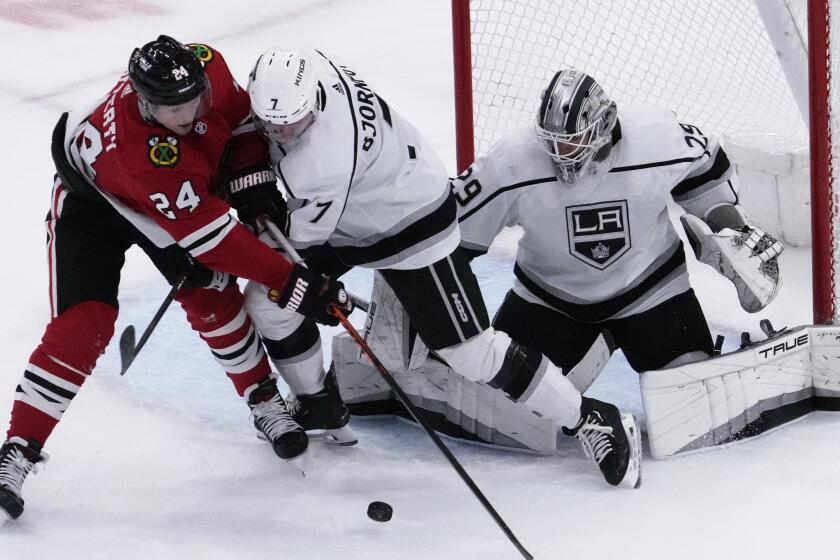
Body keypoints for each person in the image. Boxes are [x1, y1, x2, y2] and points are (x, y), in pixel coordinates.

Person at [223, 48, 642, 490]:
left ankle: (590, 418)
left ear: (313, 101)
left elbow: (282, 242)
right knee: (268, 306)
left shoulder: (319, 164)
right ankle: (319, 404)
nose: (280, 131)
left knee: (471, 352)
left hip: (413, 224)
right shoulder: (312, 67)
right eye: (273, 122)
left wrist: (212, 238)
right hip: (360, 206)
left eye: (291, 122)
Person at [333, 67, 785, 453]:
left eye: (574, 143)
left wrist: (726, 225)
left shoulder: (658, 136)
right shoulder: (512, 162)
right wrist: (425, 309)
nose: (560, 154)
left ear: (606, 124)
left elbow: (707, 168)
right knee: (510, 413)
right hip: (551, 300)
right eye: (554, 142)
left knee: (686, 400)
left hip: (652, 290)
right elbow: (445, 237)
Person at [0, 36, 350, 524]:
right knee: (86, 325)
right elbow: (216, 240)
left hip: (167, 197)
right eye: (174, 108)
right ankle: (17, 450)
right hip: (94, 204)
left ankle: (264, 401)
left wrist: (250, 176)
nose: (190, 113)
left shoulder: (208, 63)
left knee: (211, 296)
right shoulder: (141, 153)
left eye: (196, 98)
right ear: (144, 103)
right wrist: (290, 280)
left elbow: (243, 122)